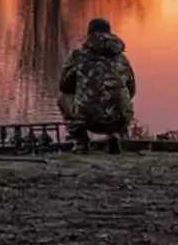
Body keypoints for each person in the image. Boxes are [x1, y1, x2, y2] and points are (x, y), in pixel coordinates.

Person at [58, 17, 136, 152]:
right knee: (124, 98)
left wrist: (84, 82)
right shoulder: (122, 59)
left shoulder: (78, 56)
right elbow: (132, 89)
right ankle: (115, 135)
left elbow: (64, 86)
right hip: (119, 119)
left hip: (87, 119)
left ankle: (81, 142)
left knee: (63, 98)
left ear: (89, 34)